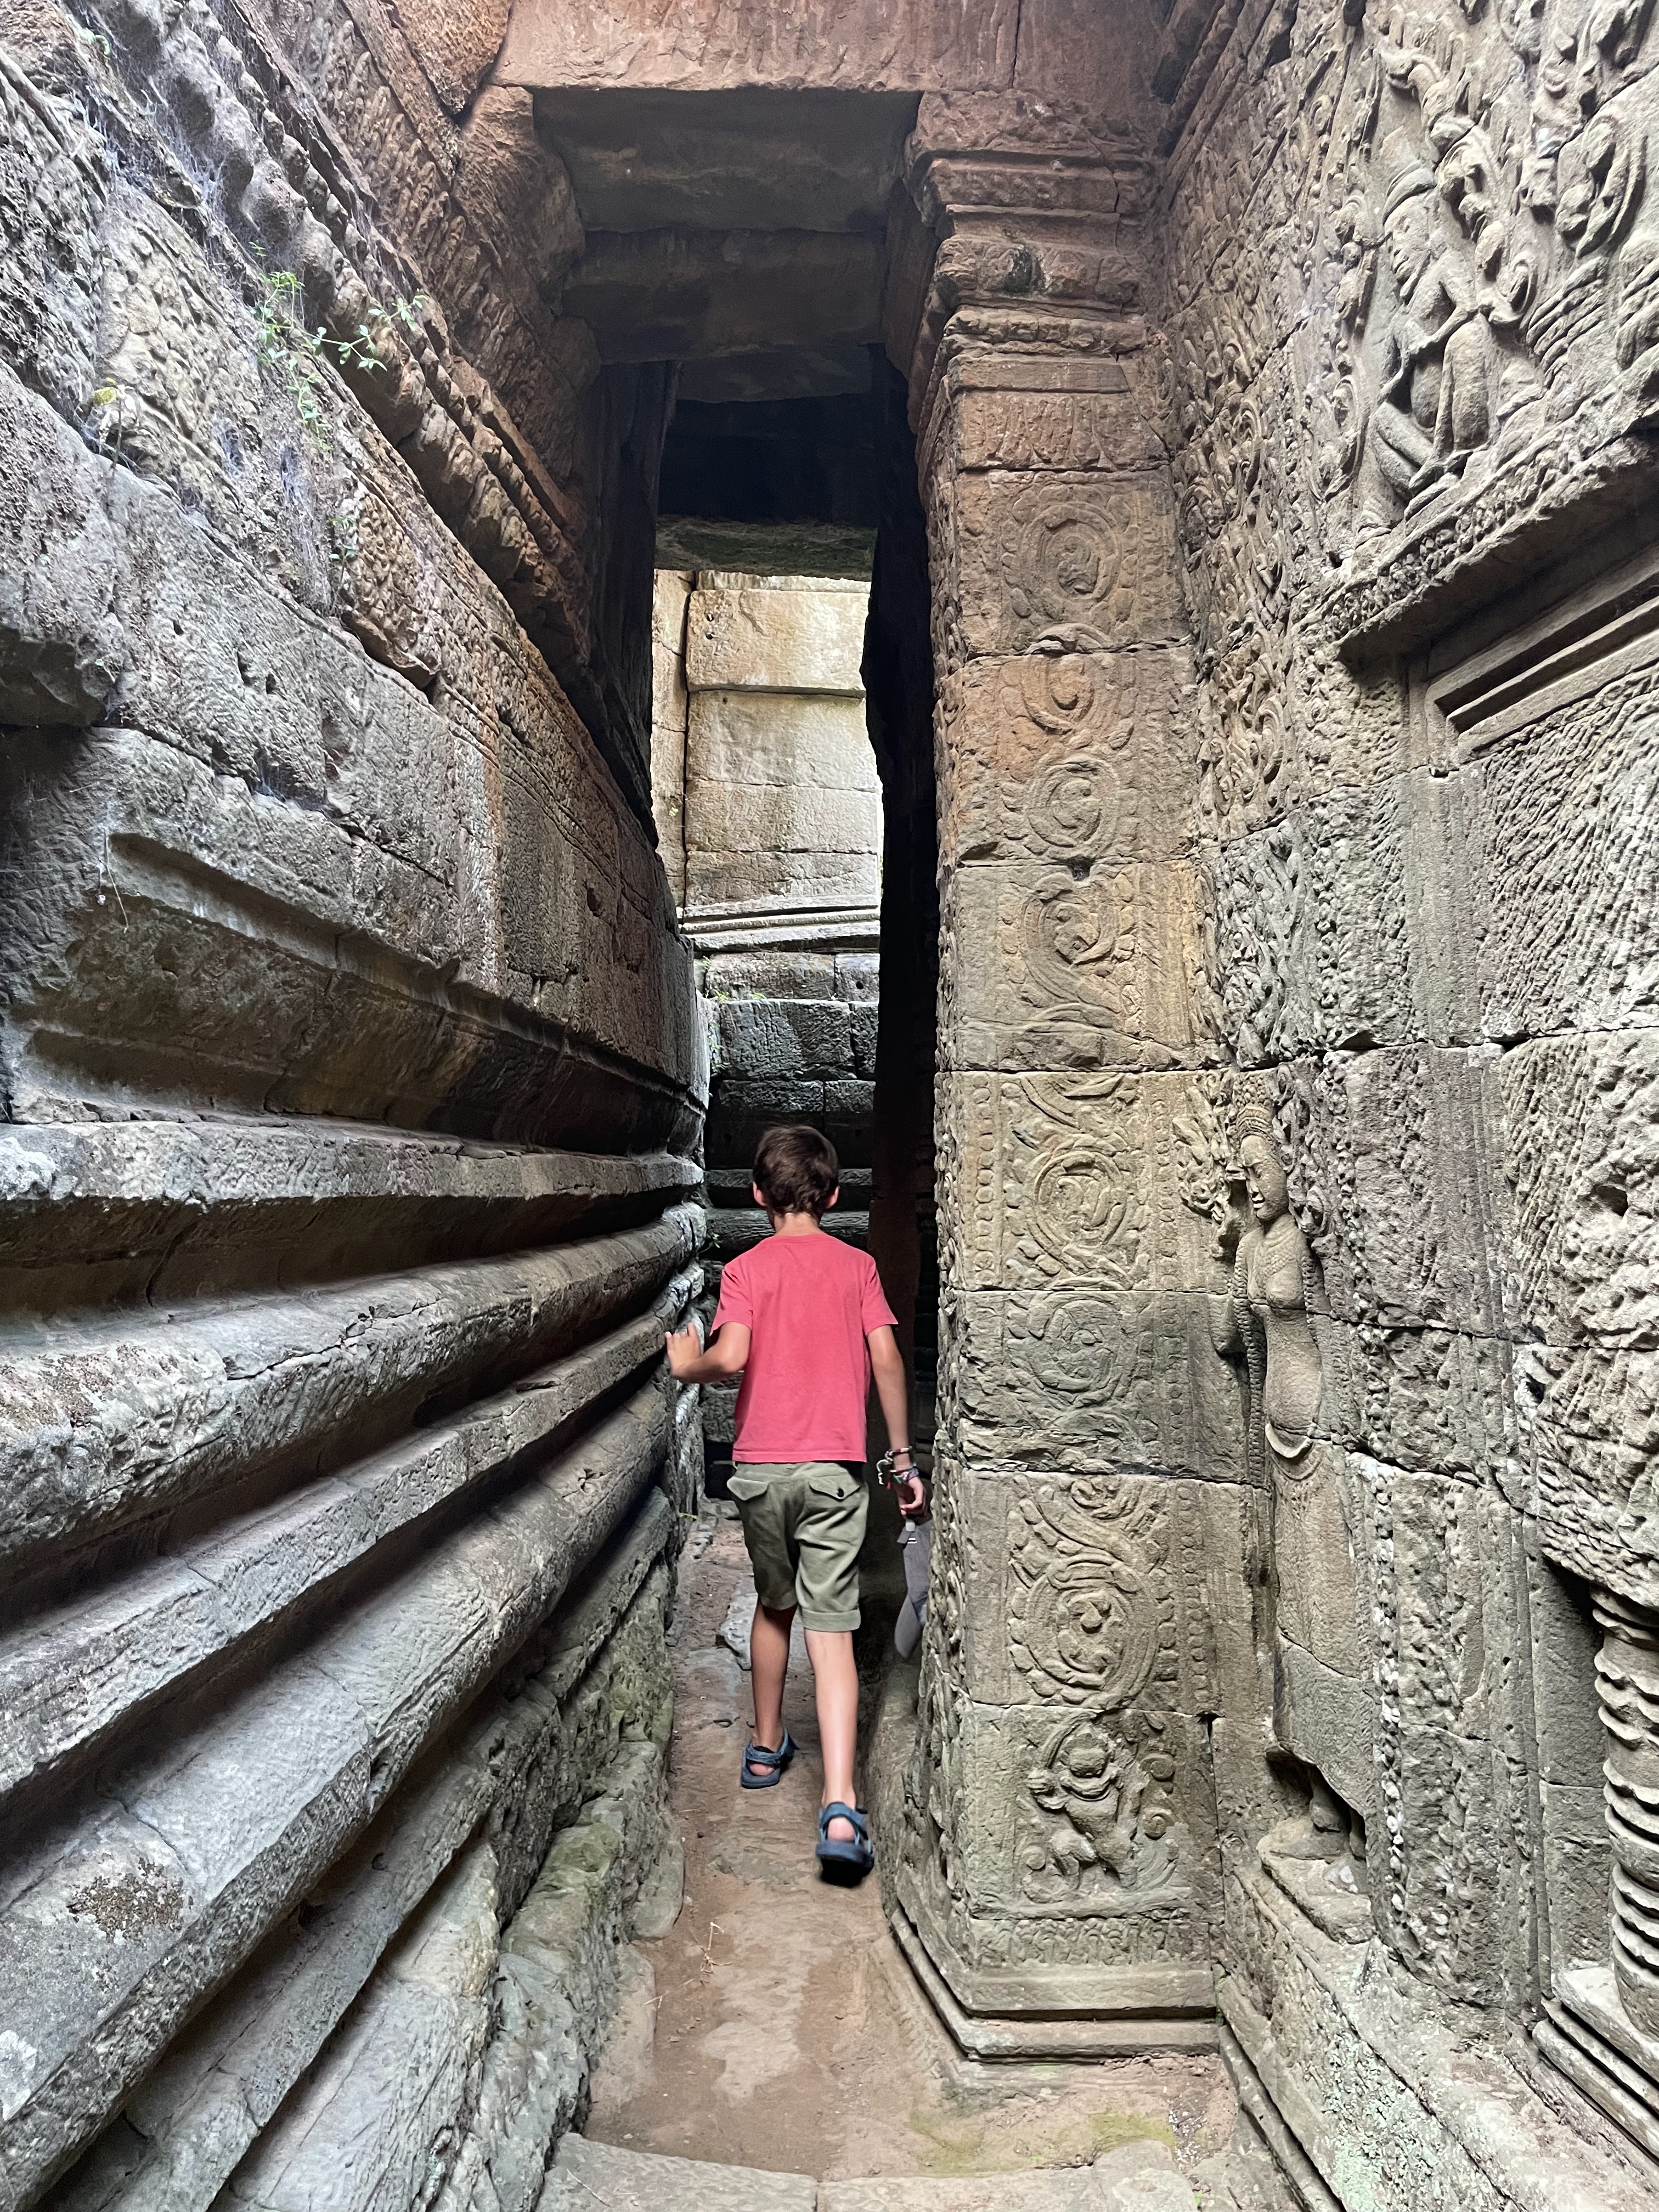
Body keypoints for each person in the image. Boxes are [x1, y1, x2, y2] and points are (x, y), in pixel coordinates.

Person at [665, 1124, 925, 1882]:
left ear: (757, 1195)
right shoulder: (857, 1268)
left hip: (759, 1474)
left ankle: (763, 1746)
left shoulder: (747, 1269)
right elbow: (887, 1359)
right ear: (833, 1195)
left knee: (774, 1605)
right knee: (832, 1629)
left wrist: (688, 1365)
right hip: (836, 1474)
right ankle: (840, 1805)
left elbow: (732, 1356)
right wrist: (900, 1462)